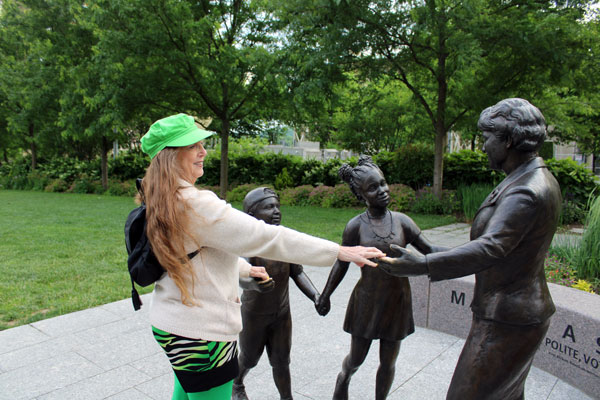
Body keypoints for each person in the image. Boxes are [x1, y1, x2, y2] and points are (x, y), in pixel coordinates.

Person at [138, 113, 385, 400]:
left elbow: (193, 252)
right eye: (193, 146)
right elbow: (266, 236)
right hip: (201, 334)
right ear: (171, 156)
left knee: (184, 396)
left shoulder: (159, 196)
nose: (203, 151)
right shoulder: (195, 205)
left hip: (171, 325)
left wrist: (244, 270)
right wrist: (339, 250)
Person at [378, 98, 561, 400]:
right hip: (514, 314)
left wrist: (424, 265)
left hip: (507, 318)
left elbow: (491, 248)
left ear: (510, 139)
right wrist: (427, 251)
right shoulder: (524, 178)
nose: (484, 145)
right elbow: (496, 245)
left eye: (487, 138)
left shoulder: (526, 190)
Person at [315, 155, 447, 400]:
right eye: (373, 188)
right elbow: (342, 262)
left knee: (388, 362)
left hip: (397, 301)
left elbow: (430, 251)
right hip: (367, 302)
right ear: (361, 195)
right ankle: (343, 381)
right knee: (356, 359)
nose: (383, 191)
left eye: (383, 183)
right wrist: (325, 295)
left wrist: (468, 255)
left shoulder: (402, 222)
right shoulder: (355, 226)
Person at [232, 187, 321, 400]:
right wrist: (254, 284)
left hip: (281, 313)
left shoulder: (284, 240)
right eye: (269, 207)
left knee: (282, 361)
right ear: (252, 214)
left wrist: (316, 296)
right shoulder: (248, 243)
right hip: (255, 314)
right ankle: (236, 382)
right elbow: (242, 275)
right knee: (250, 357)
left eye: (278, 206)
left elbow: (297, 273)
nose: (276, 211)